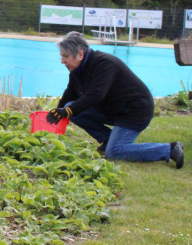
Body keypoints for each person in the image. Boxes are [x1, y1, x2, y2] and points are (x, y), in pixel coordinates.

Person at [47, 31, 183, 169]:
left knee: (114, 152)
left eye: (65, 57)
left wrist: (67, 111)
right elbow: (70, 93)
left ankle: (169, 149)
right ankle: (107, 139)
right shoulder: (78, 69)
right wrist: (58, 112)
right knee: (70, 106)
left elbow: (96, 95)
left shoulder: (104, 64)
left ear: (80, 54)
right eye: (61, 56)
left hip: (135, 111)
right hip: (114, 110)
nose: (62, 61)